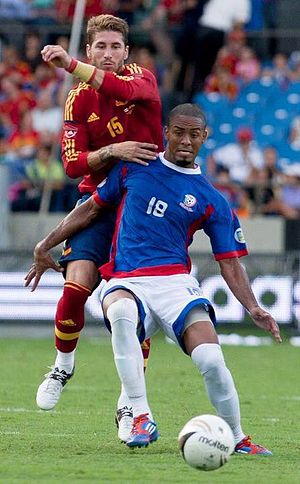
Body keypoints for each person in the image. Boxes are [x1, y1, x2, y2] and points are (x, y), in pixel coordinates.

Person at [25, 103, 281, 450]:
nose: (186, 141)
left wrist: (253, 307)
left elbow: (230, 263)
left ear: (205, 137)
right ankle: (140, 413)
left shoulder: (212, 199)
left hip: (175, 284)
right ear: (166, 132)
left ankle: (237, 437)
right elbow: (90, 209)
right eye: (179, 132)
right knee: (119, 311)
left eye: (194, 134)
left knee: (211, 359)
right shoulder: (134, 168)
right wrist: (46, 244)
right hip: (127, 279)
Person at [31, 14, 164, 443]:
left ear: (126, 52)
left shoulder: (142, 78)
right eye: (100, 47)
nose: (108, 54)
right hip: (95, 204)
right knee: (76, 286)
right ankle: (62, 366)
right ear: (91, 50)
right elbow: (72, 166)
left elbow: (123, 90)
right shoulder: (77, 100)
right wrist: (114, 150)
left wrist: (69, 63)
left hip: (142, 208)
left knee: (131, 308)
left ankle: (130, 404)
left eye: (115, 47)